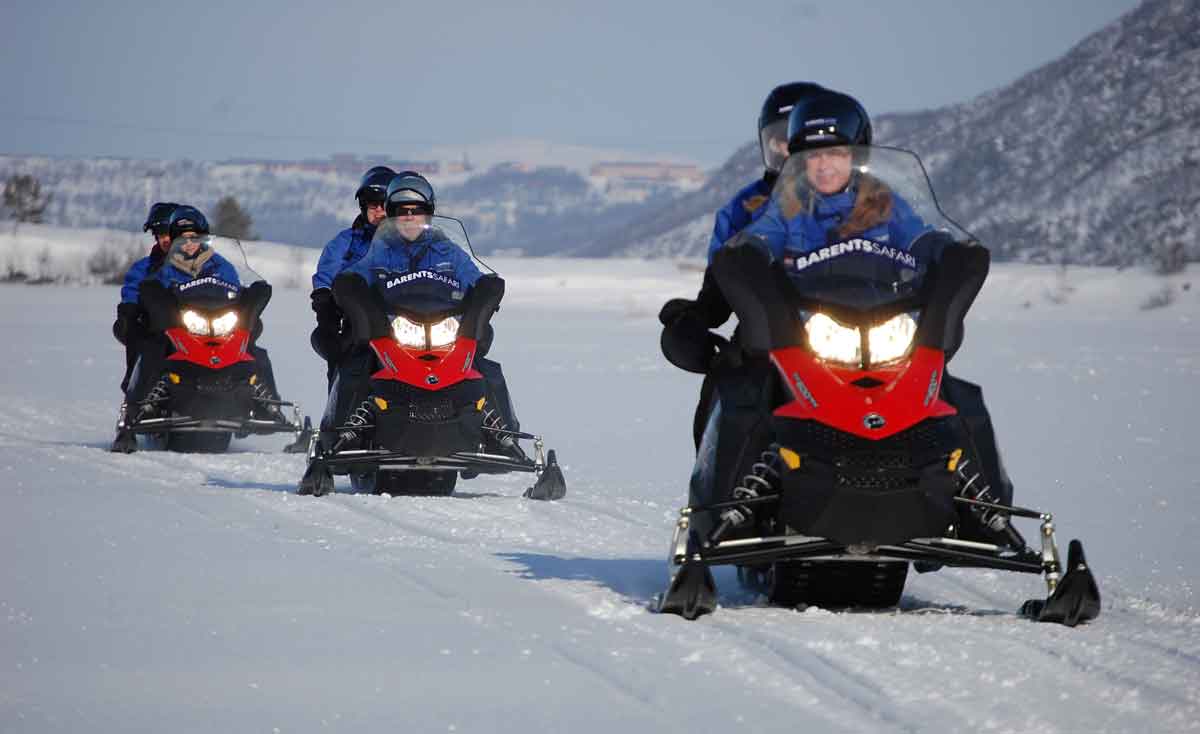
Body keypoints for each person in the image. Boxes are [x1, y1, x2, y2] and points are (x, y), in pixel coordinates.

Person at [660, 83, 829, 449]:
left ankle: (971, 497)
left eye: (797, 138)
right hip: (769, 331)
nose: (788, 149)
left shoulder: (868, 199)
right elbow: (721, 280)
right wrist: (696, 317)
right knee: (726, 381)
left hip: (862, 325)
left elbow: (916, 246)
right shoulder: (746, 206)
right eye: (779, 140)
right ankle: (718, 495)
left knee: (937, 385)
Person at [311, 166, 396, 390]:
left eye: (385, 205)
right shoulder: (346, 242)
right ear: (363, 207)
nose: (379, 211)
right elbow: (326, 275)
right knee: (345, 355)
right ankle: (341, 416)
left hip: (405, 318)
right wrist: (325, 305)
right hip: (359, 321)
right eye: (373, 205)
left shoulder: (409, 241)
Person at [113, 202, 177, 394]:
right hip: (161, 327)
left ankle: (257, 397)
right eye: (160, 233)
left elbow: (225, 281)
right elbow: (131, 291)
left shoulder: (204, 264)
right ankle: (138, 390)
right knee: (136, 328)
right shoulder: (144, 267)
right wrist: (131, 308)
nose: (165, 239)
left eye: (170, 232)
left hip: (199, 323)